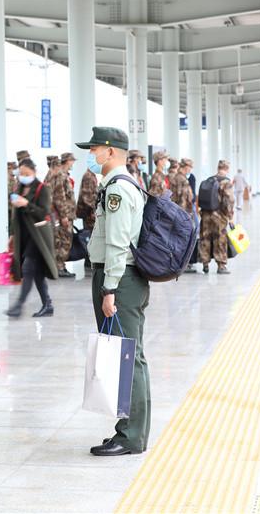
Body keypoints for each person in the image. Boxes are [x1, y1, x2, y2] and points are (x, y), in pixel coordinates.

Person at [77, 126, 150, 457]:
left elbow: (118, 243)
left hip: (120, 281)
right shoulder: (121, 183)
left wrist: (109, 289)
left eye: (94, 149)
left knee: (128, 357)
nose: (91, 155)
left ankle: (131, 436)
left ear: (109, 151)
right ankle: (130, 431)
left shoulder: (118, 189)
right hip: (123, 280)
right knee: (130, 355)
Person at [5, 158, 57, 318]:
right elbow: (15, 216)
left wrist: (26, 204)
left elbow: (44, 213)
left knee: (27, 268)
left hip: (38, 236)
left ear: (34, 172)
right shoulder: (19, 188)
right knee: (37, 273)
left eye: (26, 173)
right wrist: (12, 235)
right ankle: (47, 305)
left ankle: (18, 305)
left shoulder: (42, 188)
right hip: (24, 237)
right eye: (21, 173)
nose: (23, 176)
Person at [198, 160, 235, 275]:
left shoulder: (209, 180)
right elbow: (228, 201)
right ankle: (221, 266)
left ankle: (205, 264)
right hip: (219, 215)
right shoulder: (226, 182)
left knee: (205, 238)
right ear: (227, 169)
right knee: (220, 239)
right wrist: (230, 217)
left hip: (205, 214)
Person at [52, 153, 77, 278]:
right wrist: (63, 216)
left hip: (68, 214)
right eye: (72, 161)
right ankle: (59, 267)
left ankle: (60, 266)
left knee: (65, 241)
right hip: (64, 215)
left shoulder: (64, 175)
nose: (73, 163)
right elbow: (59, 197)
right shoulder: (61, 175)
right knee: (64, 241)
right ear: (67, 161)